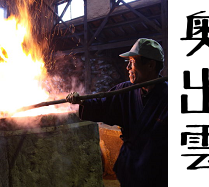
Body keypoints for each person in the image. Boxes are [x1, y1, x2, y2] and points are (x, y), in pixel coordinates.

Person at [67, 38, 168, 186]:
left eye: (132, 62)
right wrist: (81, 101)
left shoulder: (169, 97)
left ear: (151, 65)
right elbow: (103, 105)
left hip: (157, 173)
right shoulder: (125, 91)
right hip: (130, 169)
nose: (127, 67)